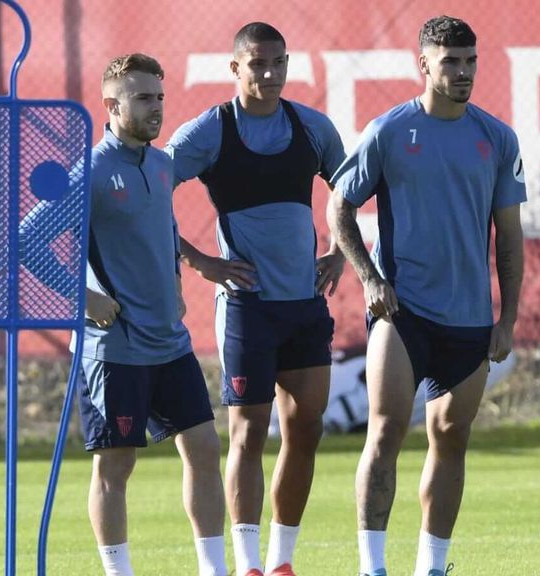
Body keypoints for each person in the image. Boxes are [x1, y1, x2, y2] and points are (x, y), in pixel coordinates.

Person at [329, 16, 526, 576]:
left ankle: (431, 567)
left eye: (470, 61)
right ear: (424, 64)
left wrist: (506, 318)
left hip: (469, 320)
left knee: (450, 437)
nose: (463, 72)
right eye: (450, 62)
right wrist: (370, 279)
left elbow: (509, 238)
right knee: (386, 430)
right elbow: (339, 207)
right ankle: (371, 567)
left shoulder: (497, 137)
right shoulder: (389, 131)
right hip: (403, 314)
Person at [19, 53, 227, 576]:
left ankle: (214, 568)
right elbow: (27, 240)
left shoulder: (161, 165)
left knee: (204, 448)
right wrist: (82, 297)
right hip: (114, 348)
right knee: (117, 466)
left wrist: (176, 284)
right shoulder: (89, 171)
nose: (155, 107)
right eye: (142, 98)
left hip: (169, 341)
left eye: (158, 96)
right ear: (111, 105)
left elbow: (163, 230)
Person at [165, 22, 347, 576]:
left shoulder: (313, 128)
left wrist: (340, 252)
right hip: (247, 306)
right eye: (258, 64)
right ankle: (245, 565)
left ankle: (281, 561)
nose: (269, 74)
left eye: (279, 63)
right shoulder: (211, 131)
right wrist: (200, 261)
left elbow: (348, 190)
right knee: (247, 433)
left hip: (304, 306)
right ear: (235, 69)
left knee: (306, 427)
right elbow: (149, 193)